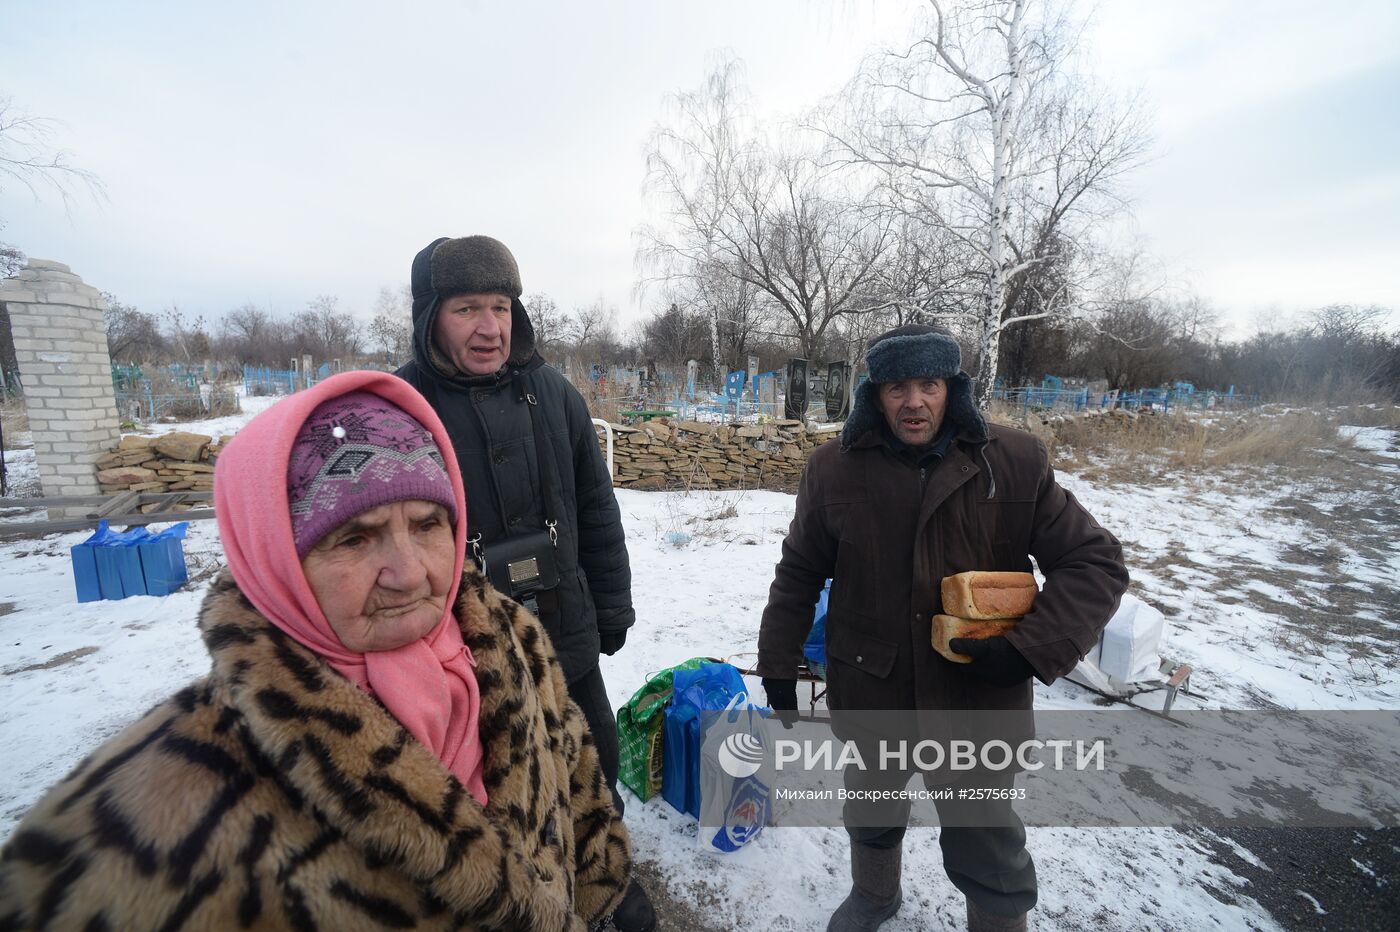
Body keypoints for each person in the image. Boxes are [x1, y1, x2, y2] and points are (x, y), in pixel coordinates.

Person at [0, 371, 630, 930]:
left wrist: (605, 901)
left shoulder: (509, 646)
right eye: (355, 537)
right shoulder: (148, 824)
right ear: (277, 559)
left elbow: (580, 802)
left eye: (428, 524)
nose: (408, 573)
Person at [756, 325, 1129, 932]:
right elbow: (799, 572)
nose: (913, 402)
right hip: (874, 684)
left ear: (952, 390)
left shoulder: (1013, 461)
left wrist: (1028, 650)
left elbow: (1095, 563)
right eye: (897, 386)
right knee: (871, 807)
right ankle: (875, 897)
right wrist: (777, 664)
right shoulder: (834, 470)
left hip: (976, 696)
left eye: (927, 384)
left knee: (986, 839)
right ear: (873, 396)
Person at [395, 234, 654, 931]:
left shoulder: (555, 395)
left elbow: (596, 508)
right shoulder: (402, 408)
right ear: (430, 317)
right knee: (496, 792)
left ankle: (604, 885)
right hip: (462, 650)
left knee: (591, 768)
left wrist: (613, 603)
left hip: (565, 630)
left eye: (502, 306)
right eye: (468, 308)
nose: (490, 327)